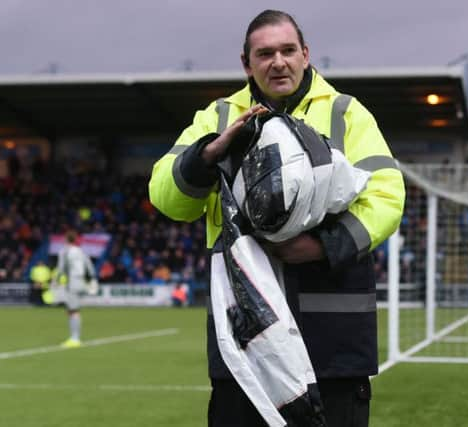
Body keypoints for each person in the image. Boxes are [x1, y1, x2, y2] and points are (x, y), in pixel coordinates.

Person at [149, 9, 405, 427]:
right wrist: (209, 154)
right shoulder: (216, 118)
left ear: (306, 54)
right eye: (264, 53)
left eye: (288, 50)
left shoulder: (347, 113)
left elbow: (388, 197)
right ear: (246, 63)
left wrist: (322, 246)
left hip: (332, 342)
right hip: (246, 342)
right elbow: (164, 196)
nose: (278, 62)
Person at [53, 230, 98, 348]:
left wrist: (56, 282)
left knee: (73, 311)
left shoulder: (65, 251)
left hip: (72, 282)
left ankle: (75, 338)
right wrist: (93, 279)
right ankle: (75, 337)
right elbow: (89, 265)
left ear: (66, 239)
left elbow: (61, 268)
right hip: (81, 281)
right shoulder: (80, 251)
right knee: (73, 310)